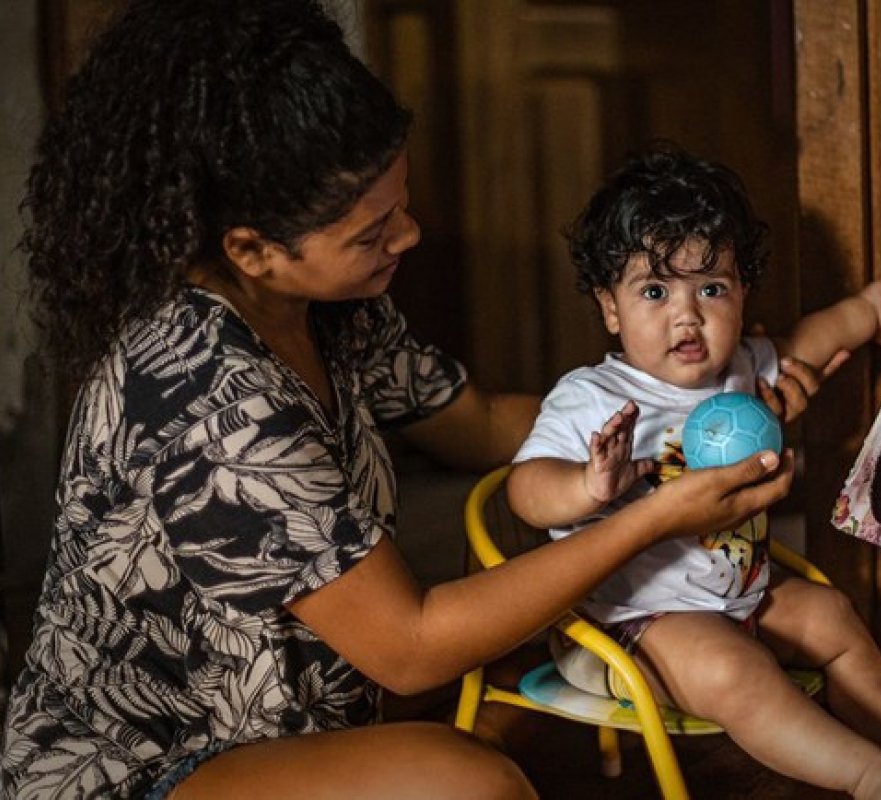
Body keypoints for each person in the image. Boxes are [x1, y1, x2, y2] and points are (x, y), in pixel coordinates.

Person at [0, 5, 803, 798]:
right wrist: (655, 515)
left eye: (401, 205)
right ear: (251, 248)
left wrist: (680, 398)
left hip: (307, 711)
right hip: (150, 765)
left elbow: (483, 424)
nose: (409, 235)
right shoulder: (208, 392)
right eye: (372, 230)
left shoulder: (329, 308)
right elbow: (410, 645)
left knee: (535, 545)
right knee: (470, 783)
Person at [506, 144, 881, 800]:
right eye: (654, 291)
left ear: (742, 291)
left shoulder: (743, 367)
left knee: (829, 614)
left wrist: (864, 311)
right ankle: (868, 776)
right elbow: (523, 490)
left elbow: (809, 343)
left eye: (711, 288)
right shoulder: (594, 397)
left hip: (743, 597)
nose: (687, 315)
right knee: (730, 668)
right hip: (630, 625)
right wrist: (585, 486)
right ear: (609, 307)